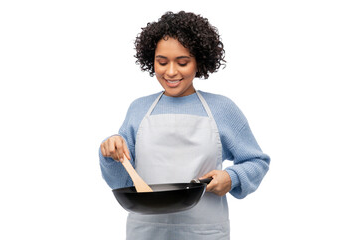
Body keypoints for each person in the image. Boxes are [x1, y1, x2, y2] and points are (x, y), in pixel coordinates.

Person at [99, 11, 270, 240]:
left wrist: (232, 177)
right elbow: (123, 181)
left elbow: (256, 161)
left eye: (182, 62)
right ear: (151, 60)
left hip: (204, 233)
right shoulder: (138, 109)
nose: (170, 72)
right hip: (146, 232)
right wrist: (110, 152)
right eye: (162, 62)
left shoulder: (222, 109)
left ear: (199, 61)